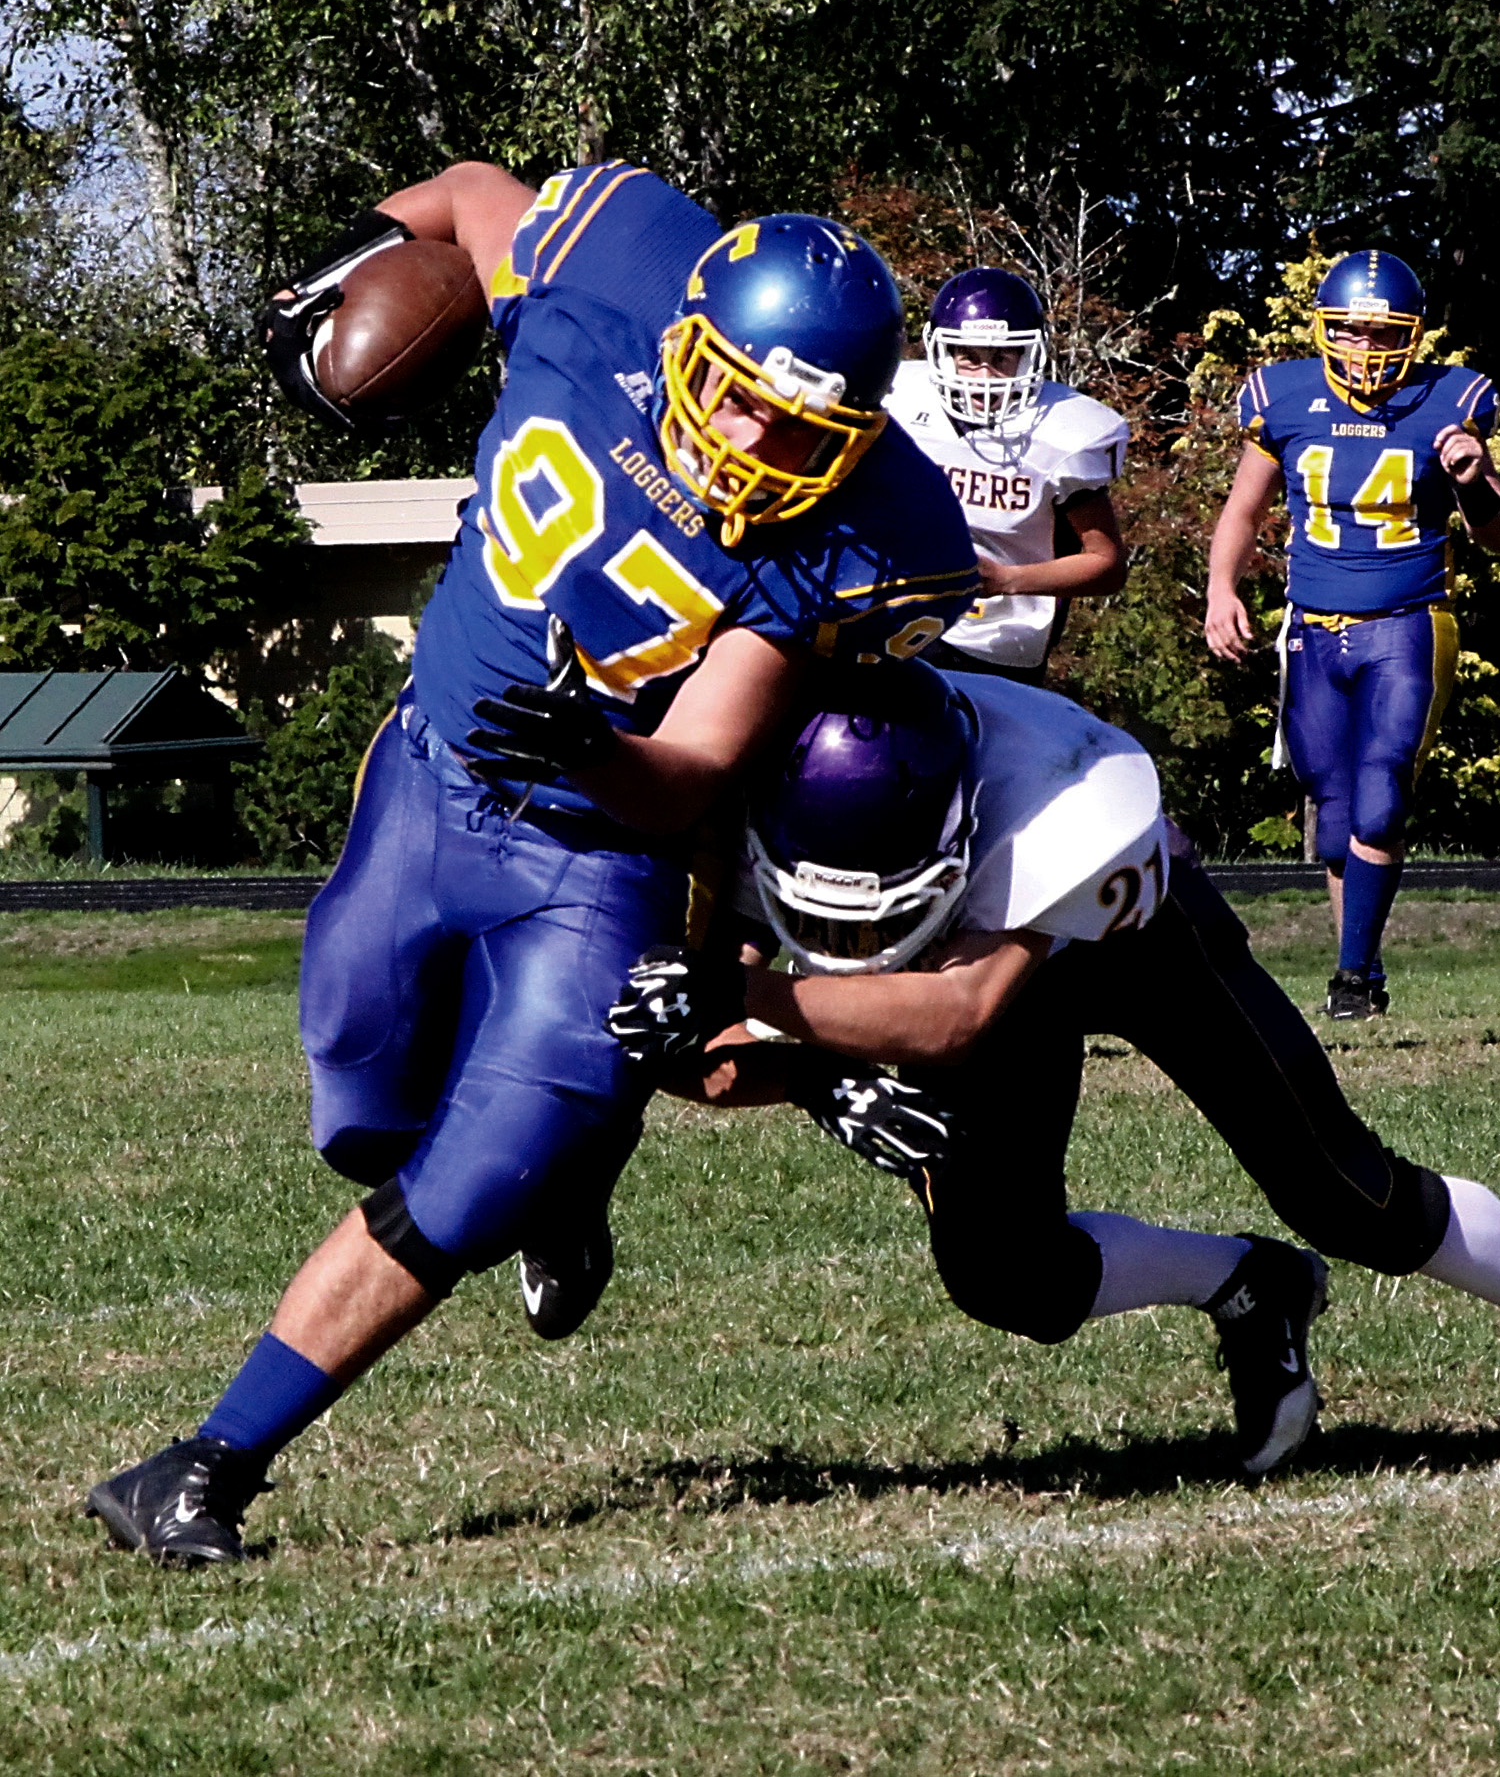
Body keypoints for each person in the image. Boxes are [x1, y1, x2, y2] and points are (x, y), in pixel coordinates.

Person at [85, 159, 981, 1565]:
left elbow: (689, 764)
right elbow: (466, 192)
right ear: (686, 338)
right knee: (362, 1105)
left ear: (858, 433)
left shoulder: (865, 533)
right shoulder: (616, 256)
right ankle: (572, 1177)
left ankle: (203, 1462)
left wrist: (586, 746)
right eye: (736, 387)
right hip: (427, 775)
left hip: (594, 851)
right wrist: (350, 258)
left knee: (480, 1163)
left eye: (798, 425)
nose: (748, 434)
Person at [609, 661, 1500, 1473]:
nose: (860, 946)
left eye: (876, 921)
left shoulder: (1060, 799)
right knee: (1004, 1271)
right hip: (962, 972)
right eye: (832, 924)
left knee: (1343, 1192)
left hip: (1131, 942)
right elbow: (684, 1053)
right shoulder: (736, 791)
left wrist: (746, 999)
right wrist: (809, 1073)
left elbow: (960, 1016)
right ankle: (1252, 1284)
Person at [1205, 249, 1500, 1019]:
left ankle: (1352, 977)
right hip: (1312, 627)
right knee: (1334, 819)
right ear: (1325, 329)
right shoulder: (1286, 395)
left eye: (1383, 334)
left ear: (1412, 335)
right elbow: (1243, 510)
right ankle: (1360, 967)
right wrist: (1221, 590)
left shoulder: (1453, 401)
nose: (1366, 349)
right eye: (1352, 332)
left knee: (1381, 798)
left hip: (1407, 623)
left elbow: (1497, 537)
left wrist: (1476, 479)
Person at [883, 267, 1129, 686]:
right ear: (941, 352)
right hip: (889, 615)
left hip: (997, 645)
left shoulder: (1062, 434)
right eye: (969, 358)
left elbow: (1107, 566)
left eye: (1001, 360)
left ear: (1028, 357)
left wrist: (1008, 580)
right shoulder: (900, 400)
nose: (984, 378)